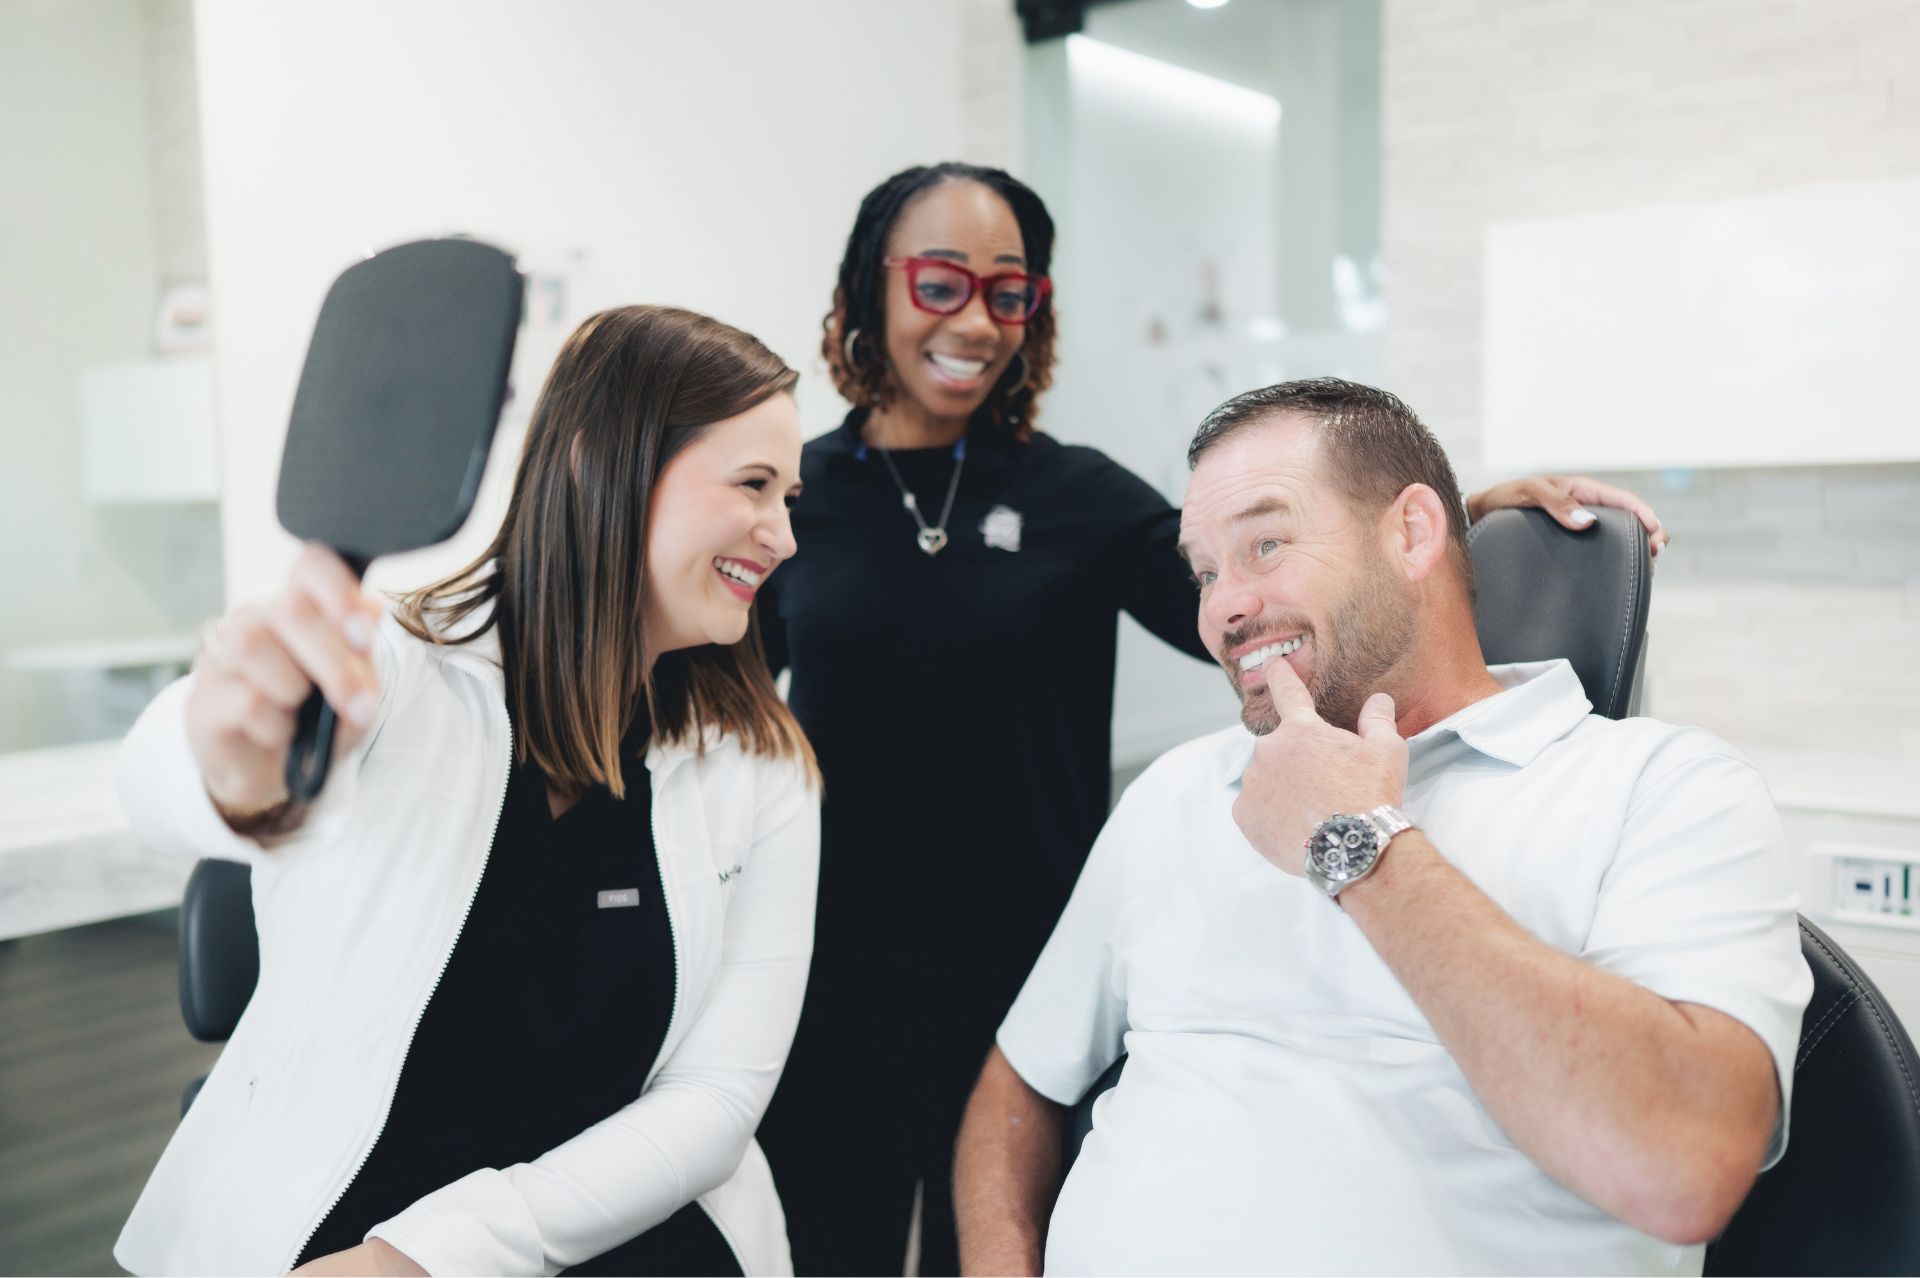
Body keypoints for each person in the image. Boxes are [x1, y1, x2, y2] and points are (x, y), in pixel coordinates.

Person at [751, 161, 1673, 1276]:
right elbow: (710, 703)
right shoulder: (796, 497)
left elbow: (1283, 599)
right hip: (829, 976)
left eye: (1012, 293)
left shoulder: (1076, 496)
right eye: (942, 282)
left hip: (1022, 966)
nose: (976, 321)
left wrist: (1459, 513)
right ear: (872, 287)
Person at [952, 378, 1811, 1276]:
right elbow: (1020, 1081)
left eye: (1266, 544)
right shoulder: (1179, 790)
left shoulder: (1662, 788)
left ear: (1412, 533)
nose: (1221, 610)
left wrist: (1355, 843)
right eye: (1205, 571)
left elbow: (1685, 1169)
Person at [113, 306, 820, 1277]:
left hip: (617, 1228)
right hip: (335, 1226)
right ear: (594, 463)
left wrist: (423, 1260)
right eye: (753, 486)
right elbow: (160, 778)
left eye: (788, 495)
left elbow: (715, 1102)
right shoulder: (399, 676)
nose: (782, 535)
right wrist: (230, 759)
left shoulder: (761, 769)